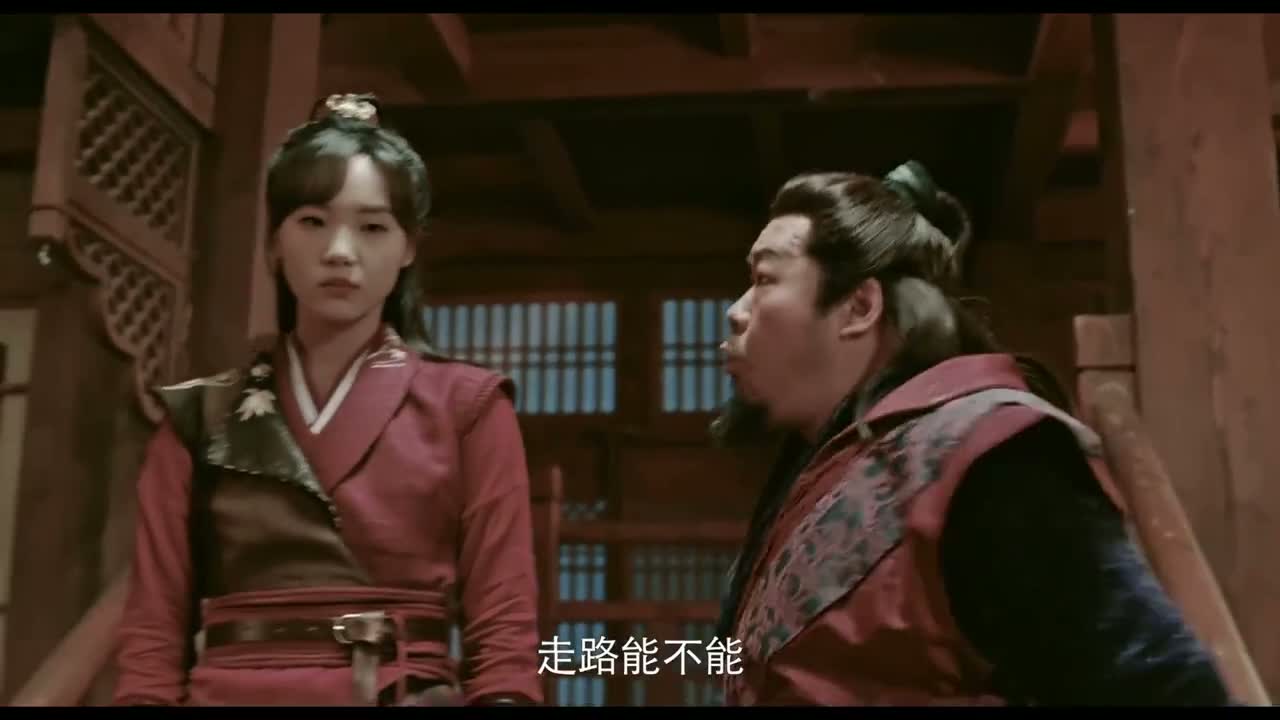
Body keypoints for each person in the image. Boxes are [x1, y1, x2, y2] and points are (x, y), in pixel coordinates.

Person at [712, 161, 1235, 706]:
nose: (736, 311)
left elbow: (1160, 688)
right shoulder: (818, 479)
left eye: (764, 279)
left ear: (859, 307)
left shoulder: (992, 455)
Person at [112, 94, 543, 707]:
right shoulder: (199, 417)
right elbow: (153, 629)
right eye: (313, 221)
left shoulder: (467, 407)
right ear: (274, 242)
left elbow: (503, 627)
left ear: (408, 248)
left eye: (372, 227)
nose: (340, 250)